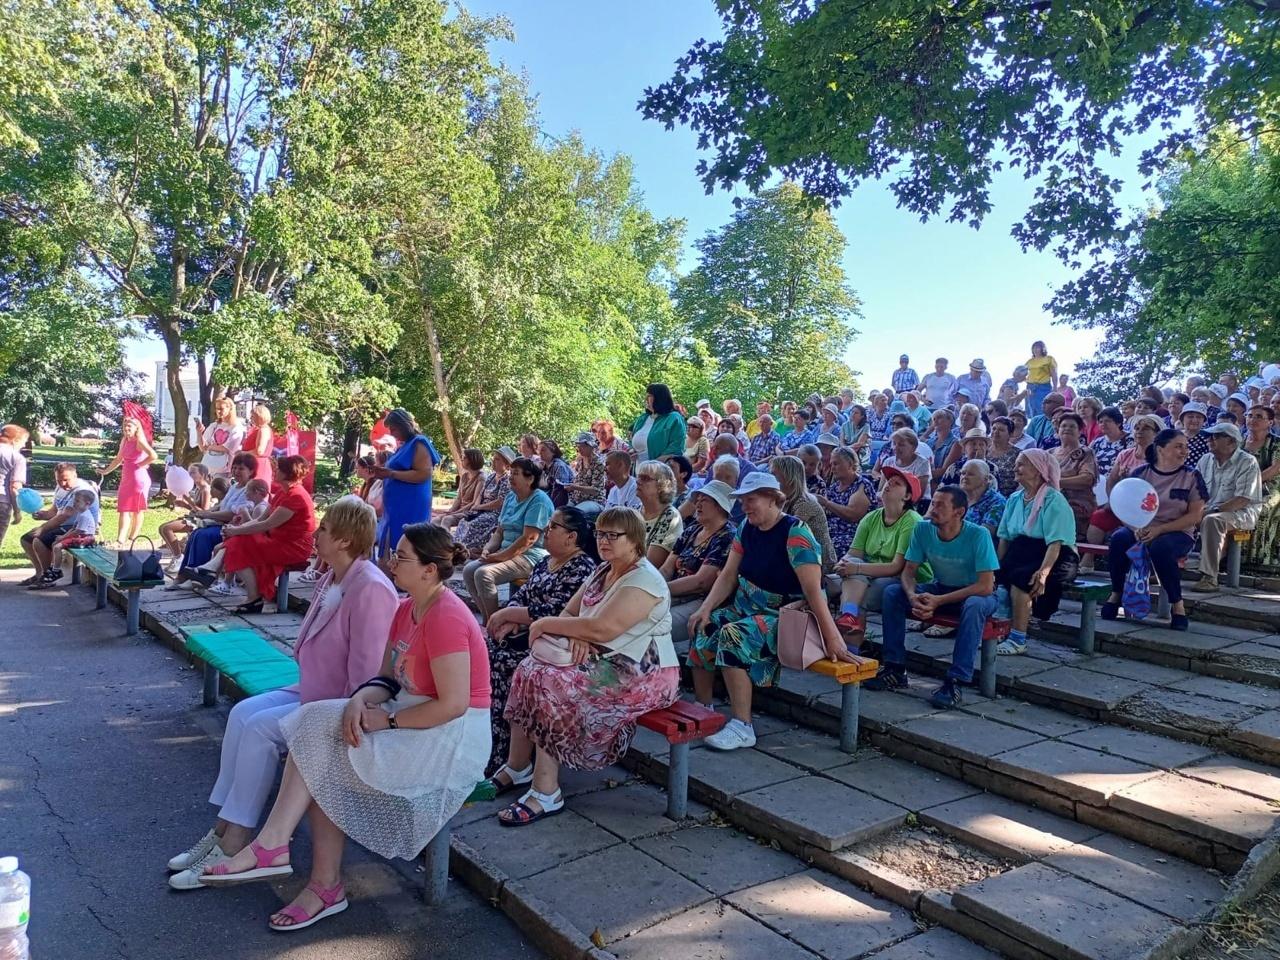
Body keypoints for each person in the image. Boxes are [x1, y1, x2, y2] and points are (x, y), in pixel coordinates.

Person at [201, 523, 490, 931]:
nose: (391, 561)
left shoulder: (446, 617)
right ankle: (279, 850)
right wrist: (358, 700)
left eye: (402, 557)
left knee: (327, 760)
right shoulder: (407, 608)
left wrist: (387, 719)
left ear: (429, 570)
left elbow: (455, 705)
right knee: (316, 723)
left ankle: (316, 880)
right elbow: (387, 678)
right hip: (410, 714)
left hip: (449, 739)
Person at [167, 497, 394, 894]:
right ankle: (222, 830)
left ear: (343, 539)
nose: (315, 534)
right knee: (243, 713)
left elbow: (367, 677)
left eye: (323, 529)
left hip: (339, 705)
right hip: (311, 690)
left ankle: (235, 840)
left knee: (259, 729)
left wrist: (331, 712)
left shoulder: (371, 588)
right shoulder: (333, 577)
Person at [488, 507, 678, 824]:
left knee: (552, 682)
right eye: (601, 533)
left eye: (612, 535)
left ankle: (546, 791)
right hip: (603, 657)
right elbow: (569, 615)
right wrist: (572, 632)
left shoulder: (645, 580)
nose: (603, 540)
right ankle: (518, 766)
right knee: (528, 669)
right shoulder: (603, 571)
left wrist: (552, 626)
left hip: (642, 670)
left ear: (634, 540)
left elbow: (603, 628)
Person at [688, 473, 853, 750]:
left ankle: (743, 726)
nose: (745, 507)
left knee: (733, 635)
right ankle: (704, 707)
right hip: (747, 607)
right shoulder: (746, 528)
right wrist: (705, 609)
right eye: (742, 501)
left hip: (783, 616)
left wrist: (833, 637)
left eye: (751, 500)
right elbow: (728, 574)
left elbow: (813, 590)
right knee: (705, 625)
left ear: (773, 500)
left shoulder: (796, 532)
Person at [483, 507, 599, 770]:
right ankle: (490, 744)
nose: (547, 531)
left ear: (571, 536)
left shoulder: (581, 567)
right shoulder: (544, 561)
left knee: (506, 662)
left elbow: (558, 611)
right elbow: (523, 596)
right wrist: (510, 618)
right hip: (526, 632)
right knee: (487, 651)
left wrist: (510, 614)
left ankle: (510, 756)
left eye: (553, 527)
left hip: (553, 641)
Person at [866, 486, 1000, 708]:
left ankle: (956, 680)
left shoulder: (978, 535)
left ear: (959, 512)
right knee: (892, 592)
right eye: (933, 503)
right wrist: (912, 596)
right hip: (941, 588)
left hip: (975, 594)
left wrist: (939, 601)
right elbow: (908, 571)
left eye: (940, 505)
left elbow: (985, 586)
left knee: (975, 605)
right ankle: (895, 668)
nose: (933, 509)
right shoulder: (923, 529)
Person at [1103, 429, 1206, 630]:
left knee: (1161, 547)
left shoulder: (1192, 476)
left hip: (1177, 531)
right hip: (1139, 528)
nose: (1184, 451)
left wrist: (1160, 529)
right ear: (1160, 449)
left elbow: (1195, 516)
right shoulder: (1141, 474)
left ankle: (1178, 606)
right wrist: (1135, 528)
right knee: (1118, 539)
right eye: (1178, 446)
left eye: (1186, 446)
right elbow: (1125, 507)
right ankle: (1116, 593)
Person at [995, 451, 1079, 655]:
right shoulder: (1014, 498)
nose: (1016, 468)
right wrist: (997, 568)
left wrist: (1043, 574)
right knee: (1001, 578)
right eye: (1016, 464)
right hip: (1023, 550)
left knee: (1023, 579)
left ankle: (1017, 639)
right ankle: (999, 631)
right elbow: (1005, 537)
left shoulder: (1053, 500)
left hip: (1057, 556)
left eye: (1022, 464)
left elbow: (1055, 543)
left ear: (1039, 471)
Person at [209, 456, 317, 614]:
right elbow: (260, 519)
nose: (274, 471)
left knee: (239, 543)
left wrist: (236, 530)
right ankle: (251, 596)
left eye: (278, 469)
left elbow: (266, 525)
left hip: (293, 547)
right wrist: (234, 528)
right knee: (239, 541)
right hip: (278, 540)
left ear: (288, 472)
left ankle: (249, 594)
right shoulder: (284, 492)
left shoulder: (296, 496)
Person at [834, 467, 927, 640]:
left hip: (904, 578)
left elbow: (896, 567)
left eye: (896, 483)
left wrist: (856, 568)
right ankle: (848, 621)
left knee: (859, 594)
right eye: (888, 481)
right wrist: (844, 563)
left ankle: (850, 648)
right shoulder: (872, 517)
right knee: (835, 580)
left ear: (907, 496)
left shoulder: (913, 521)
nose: (888, 485)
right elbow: (854, 553)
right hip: (869, 574)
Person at [462, 456, 554, 621]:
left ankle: (495, 623)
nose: (510, 477)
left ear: (530, 479)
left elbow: (529, 539)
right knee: (469, 570)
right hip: (506, 552)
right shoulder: (511, 497)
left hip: (530, 556)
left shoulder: (539, 501)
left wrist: (499, 557)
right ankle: (487, 619)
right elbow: (499, 532)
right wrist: (487, 549)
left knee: (484, 574)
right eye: (511, 472)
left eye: (516, 473)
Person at [660, 480, 735, 655]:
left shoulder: (727, 536)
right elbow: (666, 569)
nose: (697, 504)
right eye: (697, 500)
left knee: (651, 626)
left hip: (701, 601)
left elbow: (702, 582)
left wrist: (659, 589)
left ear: (720, 507)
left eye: (704, 500)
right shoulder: (692, 530)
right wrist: (649, 587)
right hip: (672, 594)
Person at [1189, 423, 1264, 592]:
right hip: (1208, 510)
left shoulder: (1247, 462)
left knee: (1212, 520)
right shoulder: (1205, 459)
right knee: (1173, 514)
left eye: (1215, 437)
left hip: (1241, 512)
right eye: (1209, 436)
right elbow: (1194, 491)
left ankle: (1209, 577)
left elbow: (1242, 500)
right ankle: (1159, 567)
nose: (1209, 440)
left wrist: (1211, 511)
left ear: (1230, 441)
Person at [168, 453, 258, 584]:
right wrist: (205, 512)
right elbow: (221, 505)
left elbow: (233, 514)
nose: (236, 471)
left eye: (241, 469)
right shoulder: (235, 486)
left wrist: (209, 515)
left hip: (236, 529)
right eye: (235, 467)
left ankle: (199, 576)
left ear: (251, 471)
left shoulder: (249, 489)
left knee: (203, 535)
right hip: (223, 524)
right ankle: (184, 575)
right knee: (195, 533)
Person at [1084, 415, 1163, 563]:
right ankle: (1089, 556)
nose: (1139, 431)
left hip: (1148, 508)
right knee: (1099, 516)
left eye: (1146, 428)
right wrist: (1114, 501)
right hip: (1122, 505)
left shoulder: (1161, 458)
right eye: (1137, 428)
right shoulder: (1125, 454)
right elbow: (1111, 481)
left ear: (1157, 433)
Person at [372, 408, 442, 557]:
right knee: (392, 545)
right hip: (395, 507)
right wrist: (383, 472)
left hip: (410, 505)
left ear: (404, 425)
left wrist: (390, 473)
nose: (391, 432)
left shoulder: (419, 443)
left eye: (393, 428)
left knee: (408, 544)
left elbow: (423, 474)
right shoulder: (404, 445)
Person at [19, 463, 101, 586]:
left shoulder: (81, 491)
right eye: (58, 480)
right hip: (66, 525)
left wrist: (42, 528)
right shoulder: (60, 488)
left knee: (39, 540)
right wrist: (42, 515)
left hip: (80, 529)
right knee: (26, 539)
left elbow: (65, 515)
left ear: (75, 475)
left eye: (65, 480)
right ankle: (39, 573)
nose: (62, 484)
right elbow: (55, 511)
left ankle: (49, 577)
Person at [96, 415, 158, 546]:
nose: (126, 428)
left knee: (137, 509)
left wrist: (141, 464)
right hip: (127, 478)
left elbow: (153, 455)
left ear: (136, 428)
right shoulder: (125, 441)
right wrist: (105, 471)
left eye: (129, 425)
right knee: (123, 508)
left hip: (138, 479)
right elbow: (118, 459)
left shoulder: (139, 441)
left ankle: (132, 538)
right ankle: (121, 539)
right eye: (125, 426)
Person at [772, 455, 838, 572]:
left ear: (788, 478)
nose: (771, 479)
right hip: (800, 557)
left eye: (774, 475)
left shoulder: (806, 503)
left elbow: (782, 533)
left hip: (819, 565)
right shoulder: (786, 500)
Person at [817, 446, 878, 557]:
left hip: (851, 536)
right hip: (829, 533)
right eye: (831, 464)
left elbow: (852, 515)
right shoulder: (834, 487)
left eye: (836, 464)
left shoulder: (862, 485)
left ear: (850, 464)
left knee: (831, 547)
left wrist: (826, 503)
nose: (832, 468)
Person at [1243, 406, 1280, 573]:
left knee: (1262, 508)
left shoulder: (1276, 443)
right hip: (1242, 485)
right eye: (1250, 415)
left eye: (1259, 416)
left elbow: (1275, 469)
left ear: (1270, 422)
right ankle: (1236, 558)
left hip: (1270, 485)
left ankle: (1259, 560)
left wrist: (1249, 484)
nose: (1253, 419)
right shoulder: (1239, 441)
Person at [459, 448, 514, 558]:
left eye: (497, 460)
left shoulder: (506, 479)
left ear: (507, 464)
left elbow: (500, 502)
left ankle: (468, 552)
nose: (493, 461)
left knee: (473, 524)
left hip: (495, 514)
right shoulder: (491, 476)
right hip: (482, 510)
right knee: (463, 521)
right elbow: (481, 494)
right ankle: (460, 550)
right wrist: (476, 506)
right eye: (493, 459)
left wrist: (479, 506)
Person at [158, 463, 213, 569]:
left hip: (199, 521)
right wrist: (185, 505)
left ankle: (179, 557)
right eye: (189, 472)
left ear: (202, 474)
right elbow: (195, 508)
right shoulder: (198, 488)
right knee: (161, 528)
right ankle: (177, 554)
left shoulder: (206, 490)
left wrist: (188, 501)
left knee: (167, 529)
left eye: (193, 472)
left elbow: (204, 512)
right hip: (192, 517)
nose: (189, 475)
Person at [1052, 413, 1098, 539]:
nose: (1067, 429)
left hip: (1076, 503)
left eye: (1072, 426)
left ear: (1079, 432)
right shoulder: (1049, 453)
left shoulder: (1086, 453)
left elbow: (1087, 479)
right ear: (1058, 430)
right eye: (1063, 426)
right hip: (1049, 500)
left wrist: (1055, 482)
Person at [636, 459, 685, 566]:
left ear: (662, 485)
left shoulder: (670, 516)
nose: (638, 481)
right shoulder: (635, 510)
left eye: (645, 478)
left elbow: (650, 564)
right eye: (638, 477)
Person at [629, 383, 686, 461]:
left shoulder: (674, 418)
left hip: (662, 470)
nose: (646, 399)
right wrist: (632, 451)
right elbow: (632, 439)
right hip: (638, 468)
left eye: (649, 396)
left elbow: (676, 447)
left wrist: (654, 464)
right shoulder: (643, 418)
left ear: (660, 398)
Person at [876, 428, 933, 502]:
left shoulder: (922, 464)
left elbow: (917, 496)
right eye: (894, 443)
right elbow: (881, 489)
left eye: (901, 445)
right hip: (891, 501)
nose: (895, 448)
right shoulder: (888, 462)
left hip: (917, 505)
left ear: (914, 447)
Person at [438, 448, 487, 531]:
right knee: (436, 520)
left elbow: (474, 503)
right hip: (460, 510)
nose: (462, 459)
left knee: (447, 520)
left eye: (464, 458)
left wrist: (456, 513)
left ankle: (446, 543)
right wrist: (450, 511)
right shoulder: (464, 476)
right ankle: (435, 542)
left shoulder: (481, 478)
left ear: (471, 460)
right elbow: (459, 498)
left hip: (470, 511)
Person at [196, 397, 245, 477]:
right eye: (217, 408)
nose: (218, 411)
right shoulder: (214, 425)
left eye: (221, 409)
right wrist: (199, 433)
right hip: (208, 468)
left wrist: (209, 447)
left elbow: (228, 448)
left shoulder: (236, 427)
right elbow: (202, 447)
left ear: (230, 409)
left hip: (224, 470)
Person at [960, 458, 1007, 539]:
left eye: (970, 474)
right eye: (963, 473)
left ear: (985, 479)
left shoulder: (997, 501)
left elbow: (984, 534)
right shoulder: (956, 496)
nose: (965, 477)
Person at [0, 424, 29, 553]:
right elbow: (15, 487)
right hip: (2, 502)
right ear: (15, 440)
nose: (23, 446)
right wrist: (17, 511)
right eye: (23, 442)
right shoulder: (17, 458)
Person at [1089, 406, 1129, 479]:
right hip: (1098, 483)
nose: (1103, 424)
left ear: (1118, 423)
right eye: (1100, 422)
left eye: (1108, 421)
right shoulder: (1097, 442)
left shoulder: (1131, 439)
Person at [241, 404, 275, 484]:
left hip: (258, 465)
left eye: (253, 416)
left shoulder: (263, 430)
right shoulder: (259, 429)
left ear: (260, 416)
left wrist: (242, 453)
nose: (250, 418)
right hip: (253, 463)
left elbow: (259, 451)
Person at [988, 418, 1021, 496]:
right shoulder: (984, 450)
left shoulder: (1018, 454)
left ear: (1010, 434)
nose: (996, 432)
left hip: (1008, 497)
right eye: (994, 428)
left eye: (1001, 430)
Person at [1025, 341, 1058, 415]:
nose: (1036, 349)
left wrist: (1055, 387)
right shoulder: (1029, 361)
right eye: (1034, 348)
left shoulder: (1049, 359)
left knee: (1043, 409)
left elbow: (1054, 373)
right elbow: (1023, 373)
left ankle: (1043, 424)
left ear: (1043, 348)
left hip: (1043, 387)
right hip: (1030, 388)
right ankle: (1034, 425)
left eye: (1038, 347)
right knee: (1031, 409)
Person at [1178, 402, 1212, 468]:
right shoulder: (1175, 436)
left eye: (1199, 417)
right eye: (1190, 417)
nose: (1194, 420)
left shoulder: (1208, 438)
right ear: (1182, 419)